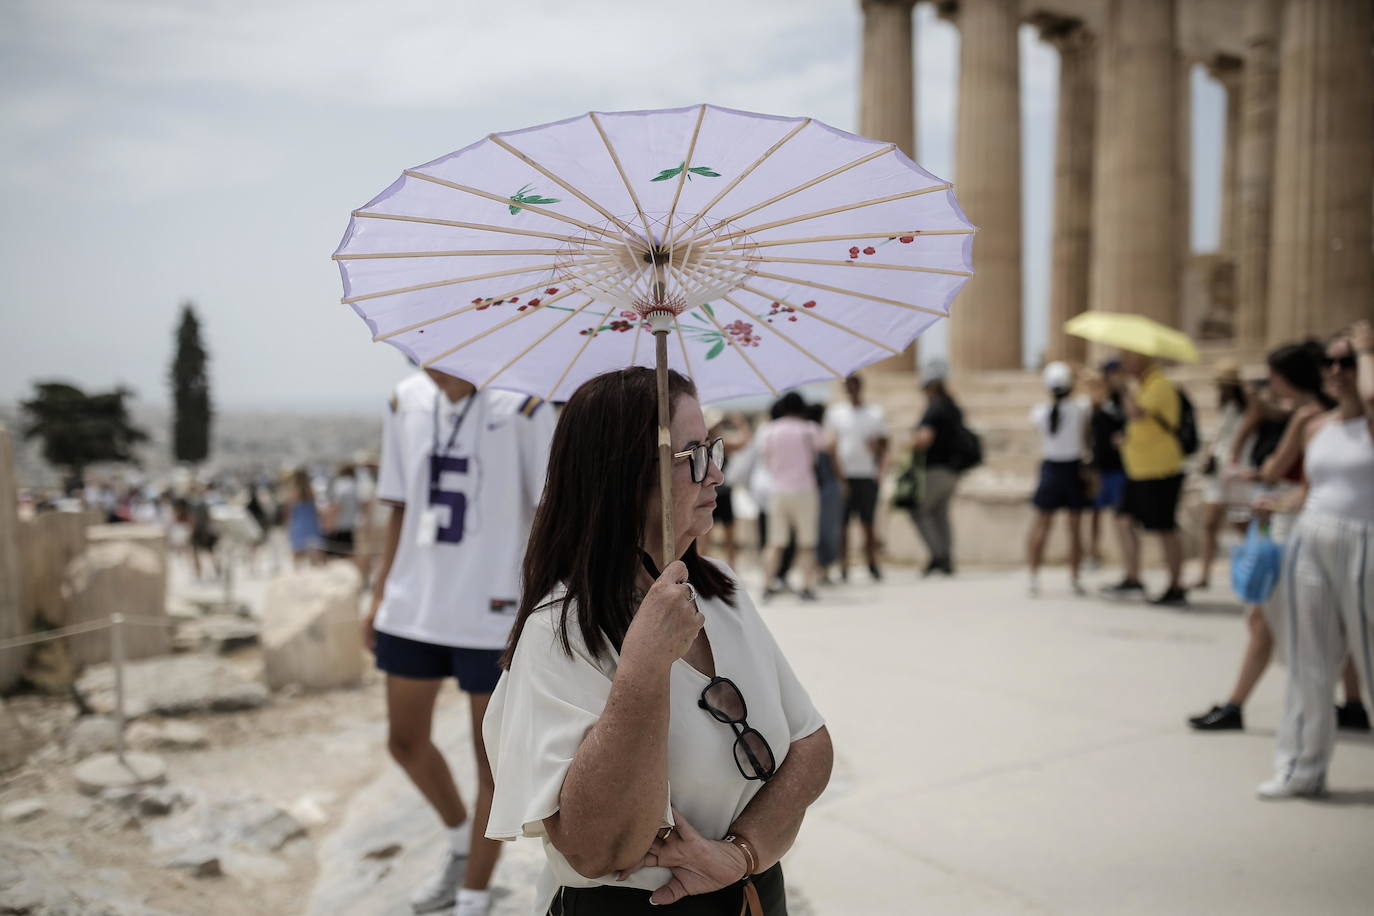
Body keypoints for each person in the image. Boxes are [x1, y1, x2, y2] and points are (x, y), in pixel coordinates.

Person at [483, 367, 832, 915]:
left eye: (713, 448)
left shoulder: (723, 592)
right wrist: (644, 668)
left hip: (752, 896)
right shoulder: (558, 634)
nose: (715, 473)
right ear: (620, 477)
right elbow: (598, 849)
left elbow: (811, 747)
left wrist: (739, 854)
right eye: (691, 455)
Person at [362, 368, 554, 916]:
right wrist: (378, 595)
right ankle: (456, 843)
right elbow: (399, 504)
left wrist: (540, 603)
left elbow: (547, 512)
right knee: (404, 741)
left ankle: (473, 897)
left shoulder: (525, 405)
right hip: (414, 603)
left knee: (490, 763)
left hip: (494, 611)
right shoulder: (404, 400)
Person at [1189, 340, 1367, 733]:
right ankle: (1350, 704)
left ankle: (1239, 707)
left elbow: (1276, 470)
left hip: (1300, 530)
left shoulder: (1313, 420)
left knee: (1271, 622)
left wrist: (1257, 466)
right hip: (1314, 524)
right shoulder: (1325, 417)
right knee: (1337, 623)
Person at [1256, 323, 1374, 799]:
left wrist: (1366, 350)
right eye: (1330, 361)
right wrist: (1279, 504)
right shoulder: (1314, 424)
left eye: (1347, 362)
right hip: (1312, 536)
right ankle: (1301, 768)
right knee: (1309, 660)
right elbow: (1309, 488)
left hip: (1365, 540)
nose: (1336, 371)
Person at [1101, 349, 1187, 606]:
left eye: (1129, 359)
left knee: (1165, 527)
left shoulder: (1159, 384)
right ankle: (1133, 576)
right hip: (1138, 468)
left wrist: (1122, 387)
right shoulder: (1144, 385)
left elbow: (1135, 412)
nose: (1126, 365)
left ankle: (1176, 584)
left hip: (1159, 468)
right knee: (1122, 520)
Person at [1026, 362, 1090, 597]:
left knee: (1041, 526)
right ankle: (1075, 578)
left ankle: (1033, 576)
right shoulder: (1080, 408)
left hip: (1050, 469)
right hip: (1072, 469)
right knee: (1074, 529)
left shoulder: (1040, 411)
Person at [758, 393, 824, 602]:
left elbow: (766, 459)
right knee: (807, 542)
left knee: (775, 542)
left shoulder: (770, 430)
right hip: (805, 489)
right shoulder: (809, 429)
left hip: (778, 490)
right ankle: (807, 587)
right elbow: (824, 447)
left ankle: (767, 585)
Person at [1191, 363, 1249, 590]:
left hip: (1234, 470)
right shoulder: (1224, 408)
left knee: (1240, 522)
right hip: (1218, 471)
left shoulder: (1246, 408)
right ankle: (1204, 573)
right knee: (1210, 522)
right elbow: (1220, 437)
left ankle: (1250, 564)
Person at [824, 374, 888, 582]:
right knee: (843, 524)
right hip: (844, 476)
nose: (851, 389)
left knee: (868, 523)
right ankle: (843, 564)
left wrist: (878, 458)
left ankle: (872, 563)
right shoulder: (836, 414)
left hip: (867, 475)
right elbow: (831, 446)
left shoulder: (874, 413)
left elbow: (884, 444)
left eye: (854, 385)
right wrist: (837, 475)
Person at [910, 368, 964, 576]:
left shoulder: (935, 409)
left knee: (919, 510)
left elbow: (925, 439)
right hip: (953, 470)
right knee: (940, 513)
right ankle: (946, 557)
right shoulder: (953, 408)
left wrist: (909, 445)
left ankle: (938, 555)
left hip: (936, 469)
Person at [1084, 363, 1126, 568]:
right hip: (1100, 468)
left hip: (1118, 468)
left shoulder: (1120, 403)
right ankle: (1093, 553)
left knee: (1121, 516)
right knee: (1096, 513)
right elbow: (1091, 437)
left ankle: (1126, 560)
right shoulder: (1095, 408)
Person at [805, 403, 844, 584]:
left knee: (818, 528)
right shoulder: (827, 438)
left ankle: (820, 568)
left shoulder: (806, 436)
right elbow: (836, 464)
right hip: (826, 487)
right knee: (828, 528)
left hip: (812, 487)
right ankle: (823, 568)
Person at [286, 468, 323, 568]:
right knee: (314, 556)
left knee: (297, 556)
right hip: (311, 523)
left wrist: (288, 527)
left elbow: (289, 513)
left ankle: (298, 577)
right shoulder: (311, 491)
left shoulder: (292, 492)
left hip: (298, 524)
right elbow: (317, 509)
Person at [324, 463, 359, 562]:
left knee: (333, 557)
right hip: (350, 524)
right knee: (348, 555)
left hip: (338, 525)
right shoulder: (355, 484)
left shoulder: (340, 484)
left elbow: (336, 505)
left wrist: (329, 523)